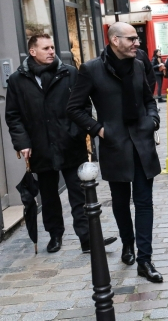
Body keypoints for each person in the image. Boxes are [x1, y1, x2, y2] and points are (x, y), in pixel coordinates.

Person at [67, 22, 163, 283]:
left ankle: (145, 260)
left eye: (136, 39)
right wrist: (100, 131)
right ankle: (128, 244)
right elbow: (74, 108)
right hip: (114, 145)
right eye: (131, 39)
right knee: (121, 202)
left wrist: (153, 120)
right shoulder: (91, 69)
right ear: (114, 40)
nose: (137, 43)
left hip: (142, 143)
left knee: (144, 203)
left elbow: (148, 98)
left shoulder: (139, 64)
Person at [5, 34, 116, 254]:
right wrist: (22, 143)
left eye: (52, 47)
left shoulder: (69, 73)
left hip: (70, 144)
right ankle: (55, 235)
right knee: (48, 196)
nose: (51, 51)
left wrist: (77, 132)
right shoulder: (18, 80)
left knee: (79, 193)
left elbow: (83, 106)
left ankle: (87, 239)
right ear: (33, 52)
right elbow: (13, 115)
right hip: (40, 147)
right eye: (45, 48)